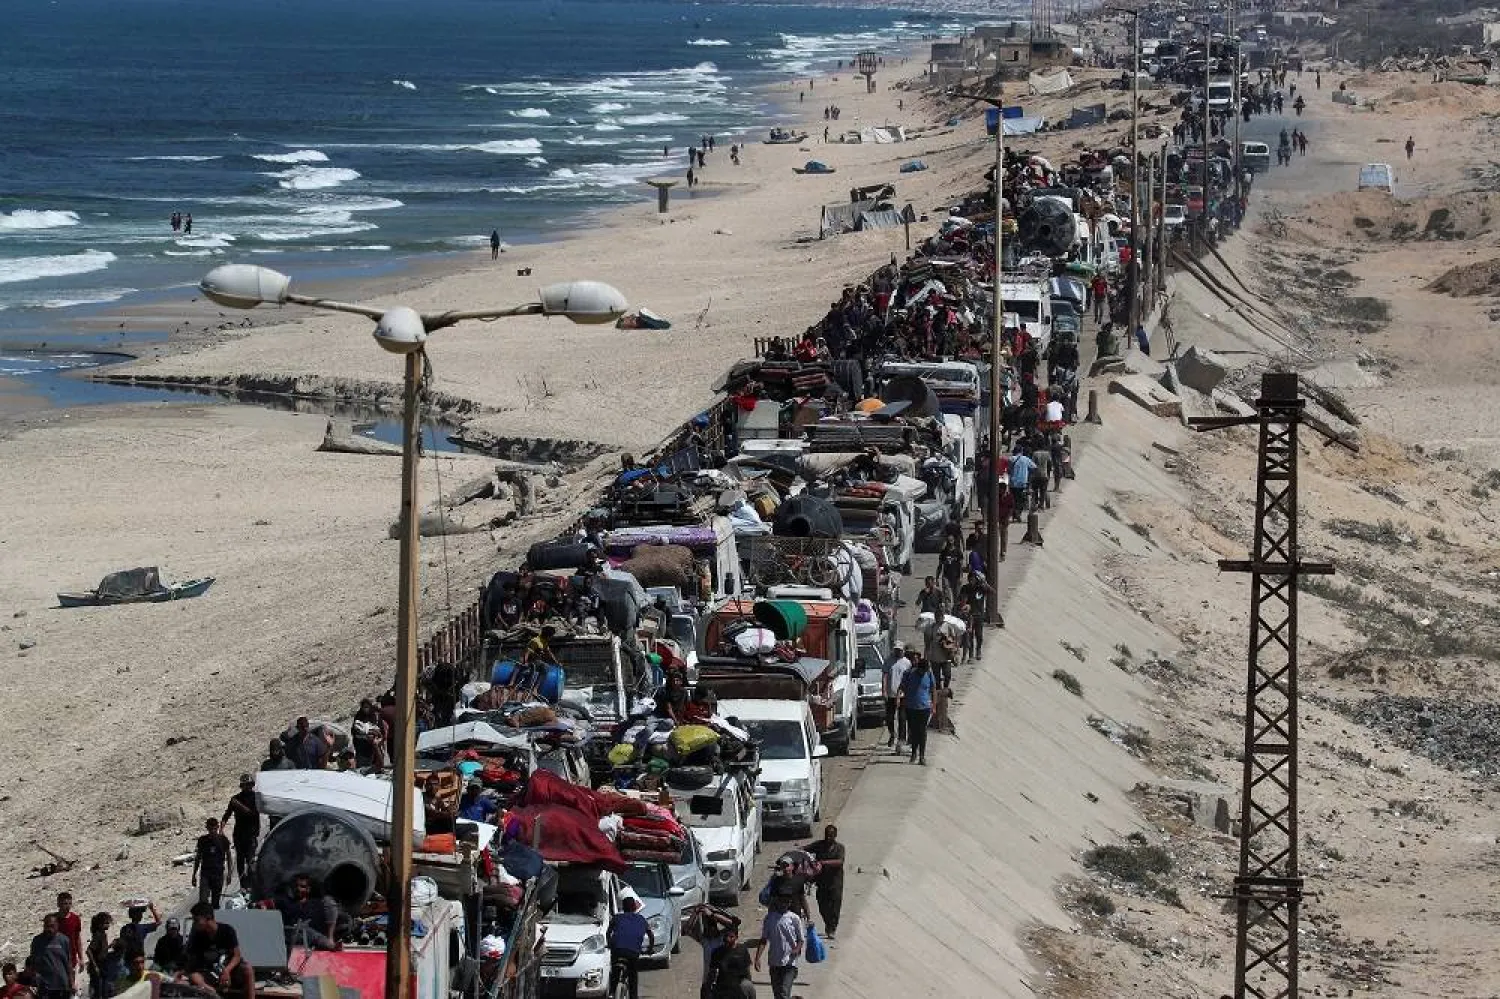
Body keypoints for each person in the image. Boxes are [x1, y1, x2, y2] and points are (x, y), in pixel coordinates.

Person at [184, 902, 251, 999]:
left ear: (208, 917)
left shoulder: (227, 930)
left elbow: (237, 956)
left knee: (247, 968)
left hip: (227, 968)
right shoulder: (197, 936)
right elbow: (193, 965)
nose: (194, 923)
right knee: (193, 976)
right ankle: (210, 991)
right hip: (209, 971)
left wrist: (227, 971)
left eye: (196, 920)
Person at [752, 899, 803, 999]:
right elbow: (763, 939)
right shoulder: (770, 918)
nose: (784, 904)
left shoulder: (794, 918)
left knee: (784, 992)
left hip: (790, 962)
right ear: (777, 902)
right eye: (782, 901)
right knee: (777, 994)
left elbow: (800, 939)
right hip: (774, 962)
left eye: (786, 901)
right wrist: (757, 958)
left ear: (790, 903)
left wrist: (797, 949)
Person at [605, 897, 653, 999]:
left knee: (614, 970)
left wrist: (609, 944)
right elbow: (651, 936)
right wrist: (649, 949)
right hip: (633, 952)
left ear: (623, 907)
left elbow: (608, 933)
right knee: (633, 975)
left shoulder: (617, 917)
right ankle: (633, 996)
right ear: (635, 907)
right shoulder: (641, 919)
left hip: (617, 950)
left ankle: (612, 992)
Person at [277, 875, 340, 951]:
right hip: (292, 935)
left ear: (308, 889)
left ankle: (330, 941)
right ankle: (327, 944)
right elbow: (268, 904)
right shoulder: (285, 902)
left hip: (313, 938)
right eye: (296, 886)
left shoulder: (316, 904)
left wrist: (330, 936)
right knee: (304, 929)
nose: (298, 889)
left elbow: (331, 908)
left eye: (302, 886)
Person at [803, 825, 845, 938]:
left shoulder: (839, 848)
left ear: (835, 835)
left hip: (835, 882)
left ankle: (832, 928)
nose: (828, 838)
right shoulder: (819, 845)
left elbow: (840, 861)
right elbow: (805, 850)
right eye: (827, 835)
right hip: (821, 882)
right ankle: (828, 924)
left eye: (831, 835)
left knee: (835, 906)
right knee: (822, 905)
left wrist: (823, 863)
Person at [222, 775, 260, 882]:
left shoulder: (256, 798)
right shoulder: (235, 799)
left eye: (248, 785)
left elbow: (252, 814)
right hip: (239, 834)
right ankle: (242, 885)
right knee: (240, 860)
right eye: (244, 785)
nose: (247, 787)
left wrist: (239, 805)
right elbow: (226, 815)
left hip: (251, 834)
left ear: (252, 785)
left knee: (251, 860)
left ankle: (251, 884)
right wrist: (221, 829)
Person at [900, 656, 935, 765]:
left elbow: (933, 689)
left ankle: (922, 756)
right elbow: (902, 687)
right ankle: (914, 753)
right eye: (922, 671)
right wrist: (899, 699)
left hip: (925, 707)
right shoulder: (909, 674)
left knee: (922, 731)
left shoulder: (929, 674)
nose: (923, 673)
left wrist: (934, 705)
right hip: (911, 707)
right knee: (913, 731)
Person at [28, 915, 73, 999]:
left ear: (57, 925)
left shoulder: (64, 940)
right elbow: (32, 961)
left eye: (52, 926)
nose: (49, 929)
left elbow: (69, 962)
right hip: (45, 986)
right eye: (46, 926)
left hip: (62, 984)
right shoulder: (37, 941)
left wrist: (71, 982)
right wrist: (34, 979)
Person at [705, 924, 754, 998]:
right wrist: (708, 987)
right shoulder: (717, 952)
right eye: (726, 936)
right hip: (722, 985)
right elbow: (712, 972)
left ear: (736, 937)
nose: (728, 939)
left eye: (731, 936)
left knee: (749, 986)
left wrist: (749, 981)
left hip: (740, 984)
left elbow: (747, 970)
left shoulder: (742, 950)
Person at [192, 818, 233, 908]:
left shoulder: (223, 840)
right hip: (205, 874)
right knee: (203, 901)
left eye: (214, 829)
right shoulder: (202, 840)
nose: (212, 831)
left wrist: (229, 873)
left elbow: (229, 857)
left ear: (217, 827)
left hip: (218, 874)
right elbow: (198, 857)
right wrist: (194, 874)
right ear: (207, 828)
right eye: (210, 829)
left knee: (215, 902)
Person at [883, 644, 912, 751]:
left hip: (903, 695)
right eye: (896, 650)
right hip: (891, 694)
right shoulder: (888, 661)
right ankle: (892, 734)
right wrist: (884, 691)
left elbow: (909, 678)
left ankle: (901, 739)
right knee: (889, 718)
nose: (898, 652)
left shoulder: (907, 663)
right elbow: (885, 676)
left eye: (899, 650)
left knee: (902, 718)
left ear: (903, 651)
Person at [53, 893, 83, 977]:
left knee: (71, 981)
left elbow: (77, 938)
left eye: (69, 903)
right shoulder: (53, 919)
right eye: (65, 904)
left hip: (71, 957)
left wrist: (81, 958)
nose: (68, 906)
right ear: (58, 904)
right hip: (56, 958)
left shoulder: (75, 919)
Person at [85, 912, 111, 999]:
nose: (108, 925)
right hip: (98, 965)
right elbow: (89, 951)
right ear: (100, 924)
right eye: (106, 923)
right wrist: (95, 966)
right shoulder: (98, 935)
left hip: (103, 965)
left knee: (103, 990)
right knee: (98, 992)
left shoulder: (103, 934)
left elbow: (102, 949)